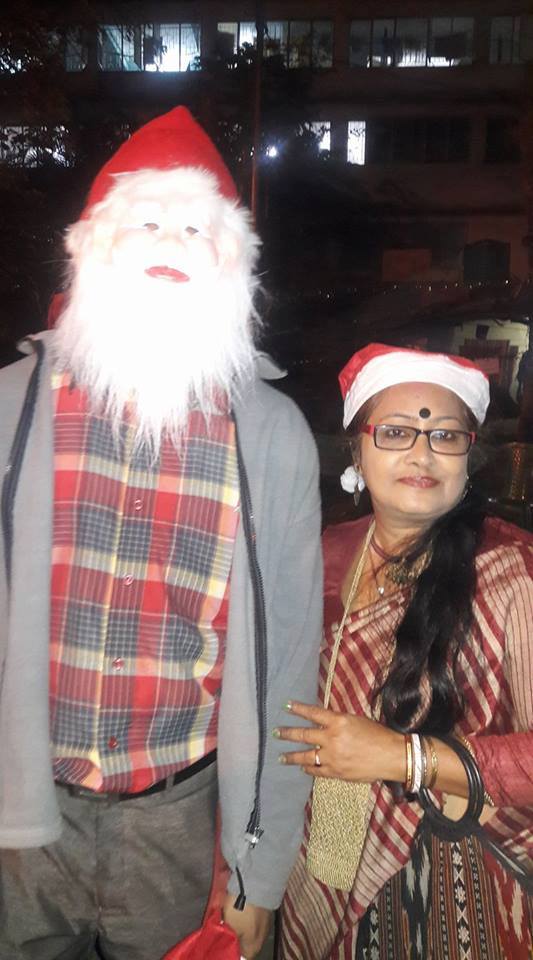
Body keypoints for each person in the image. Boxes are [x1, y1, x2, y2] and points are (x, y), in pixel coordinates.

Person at [0, 107, 322, 960]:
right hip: (15, 814)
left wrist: (260, 868)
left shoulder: (272, 436)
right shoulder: (6, 411)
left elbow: (289, 663)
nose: (170, 242)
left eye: (196, 228)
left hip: (183, 821)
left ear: (233, 265)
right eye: (145, 221)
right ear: (92, 247)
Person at [276, 343, 533, 959]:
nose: (423, 453)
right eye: (395, 432)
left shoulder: (512, 571)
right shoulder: (321, 552)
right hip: (324, 845)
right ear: (356, 452)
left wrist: (405, 757)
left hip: (454, 877)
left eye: (446, 436)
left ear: (469, 457)